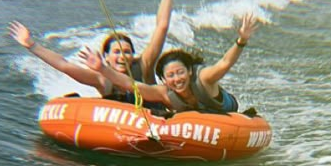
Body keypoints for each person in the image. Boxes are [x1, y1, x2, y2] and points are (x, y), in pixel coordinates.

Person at [8, 0, 175, 101]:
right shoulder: (102, 79)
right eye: (116, 52)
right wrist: (31, 45)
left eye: (127, 51)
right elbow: (64, 65)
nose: (122, 56)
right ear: (106, 58)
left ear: (133, 54)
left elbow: (162, 26)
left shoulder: (144, 65)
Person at [80, 13, 259, 114]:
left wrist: (241, 40)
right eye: (170, 76)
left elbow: (225, 63)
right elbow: (130, 84)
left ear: (189, 71)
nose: (177, 79)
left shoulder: (204, 79)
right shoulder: (165, 94)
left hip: (226, 111)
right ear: (164, 80)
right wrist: (102, 68)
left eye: (180, 72)